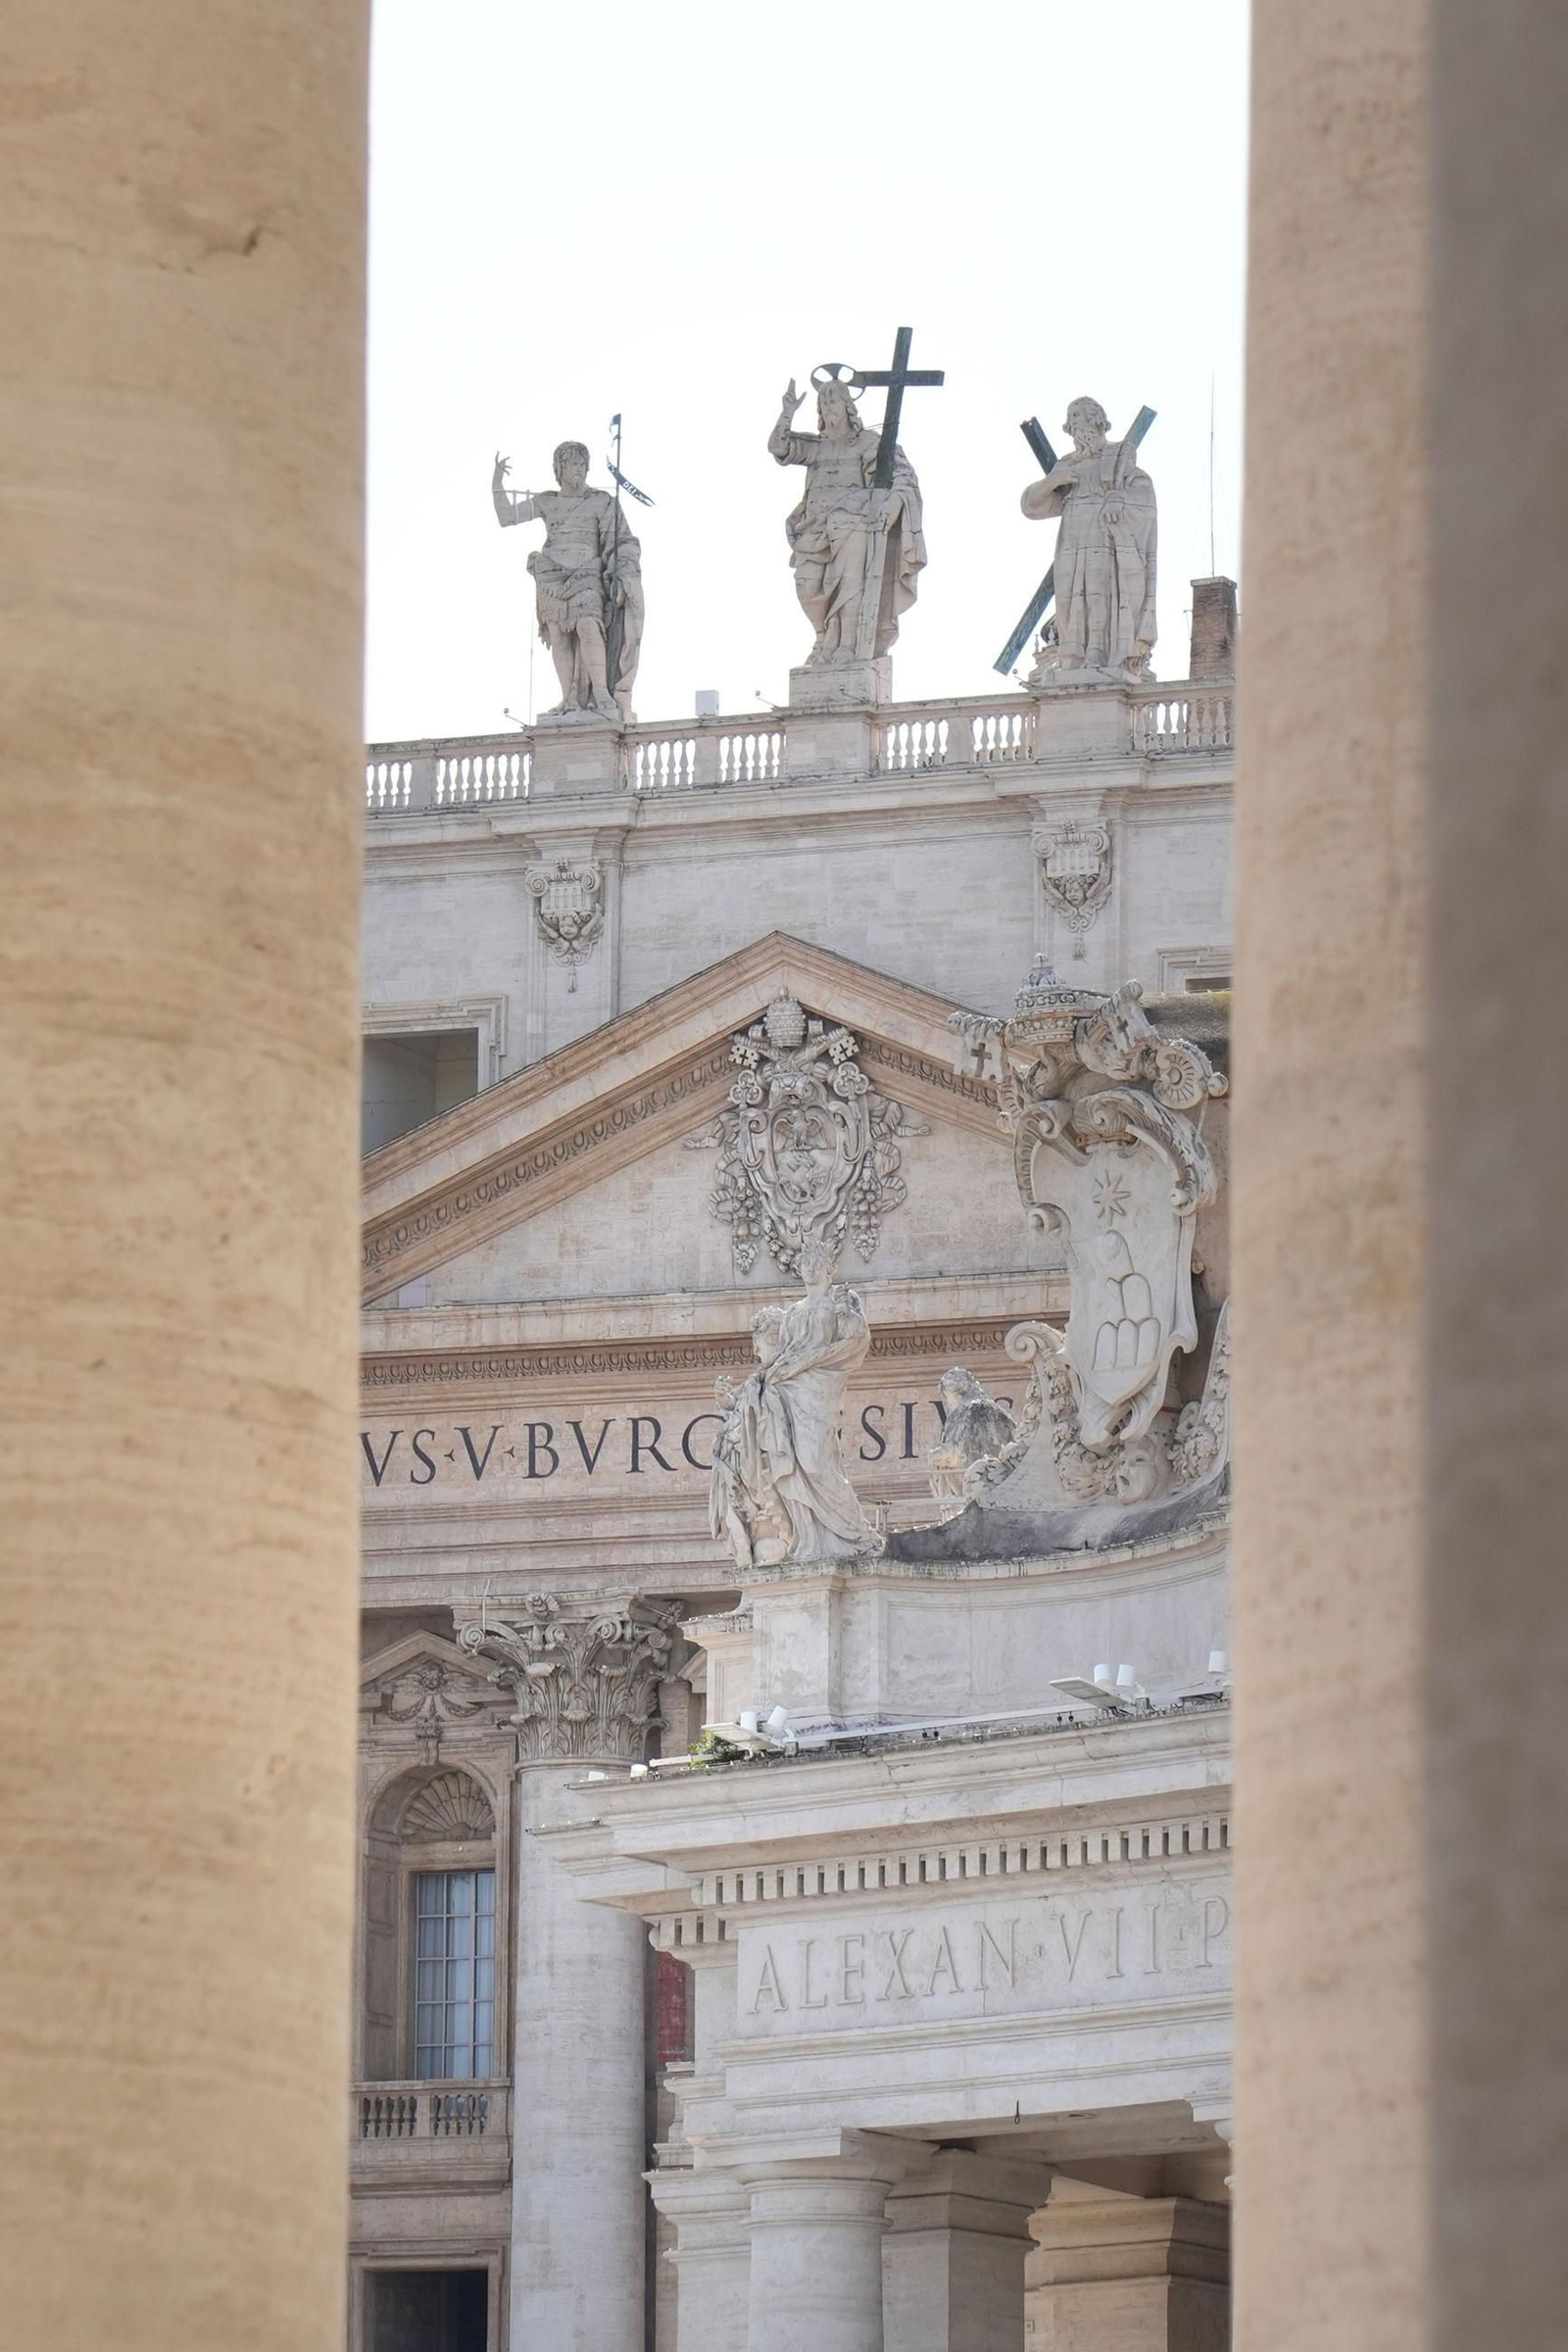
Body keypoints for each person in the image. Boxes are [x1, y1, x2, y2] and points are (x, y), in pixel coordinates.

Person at [768, 376, 925, 665]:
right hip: (813, 527)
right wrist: (787, 411)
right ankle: (822, 636)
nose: (829, 406)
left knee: (850, 585)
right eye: (824, 401)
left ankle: (846, 645)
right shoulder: (816, 446)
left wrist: (893, 503)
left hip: (855, 521)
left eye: (834, 400)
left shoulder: (867, 442)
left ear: (848, 405)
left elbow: (903, 475)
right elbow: (779, 447)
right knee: (807, 584)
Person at [491, 439, 642, 715]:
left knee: (588, 626)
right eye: (572, 463)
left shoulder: (600, 501)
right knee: (559, 637)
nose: (579, 469)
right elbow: (506, 517)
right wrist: (497, 484)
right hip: (550, 575)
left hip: (587, 573)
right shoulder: (547, 501)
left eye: (583, 463)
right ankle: (568, 699)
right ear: (559, 468)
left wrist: (622, 572)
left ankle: (599, 691)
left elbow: (621, 540)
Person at [1021, 396, 1157, 681]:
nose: (1079, 431)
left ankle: (1097, 650)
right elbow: (1031, 505)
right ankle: (1073, 655)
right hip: (1071, 535)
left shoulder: (1118, 457)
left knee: (1099, 592)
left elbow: (1144, 495)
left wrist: (1119, 499)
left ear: (1098, 423)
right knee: (1070, 595)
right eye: (1073, 425)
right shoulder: (1066, 464)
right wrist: (1052, 481)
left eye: (1083, 422)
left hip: (1104, 535)